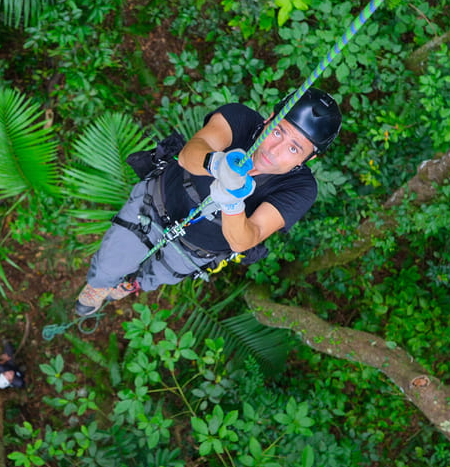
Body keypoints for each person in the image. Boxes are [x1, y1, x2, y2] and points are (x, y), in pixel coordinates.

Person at [74, 89, 342, 316]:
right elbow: (191, 153)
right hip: (153, 208)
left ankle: (133, 284)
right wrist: (215, 163)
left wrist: (234, 203)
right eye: (278, 131)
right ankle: (99, 285)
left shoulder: (300, 188)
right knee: (111, 262)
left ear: (307, 159)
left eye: (294, 148)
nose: (275, 150)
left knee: (157, 276)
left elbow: (247, 238)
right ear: (270, 118)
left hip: (195, 252)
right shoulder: (240, 120)